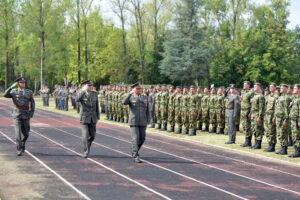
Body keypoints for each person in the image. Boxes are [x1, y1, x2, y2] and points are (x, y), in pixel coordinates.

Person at [3, 77, 35, 156]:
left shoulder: (29, 92)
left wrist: (31, 113)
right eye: (21, 83)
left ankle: (23, 143)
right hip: (17, 114)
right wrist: (11, 87)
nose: (23, 84)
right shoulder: (13, 91)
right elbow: (4, 95)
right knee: (17, 133)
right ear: (18, 84)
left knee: (26, 133)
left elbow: (33, 103)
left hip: (26, 114)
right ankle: (19, 148)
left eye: (24, 82)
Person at [122, 82, 150, 163]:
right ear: (134, 89)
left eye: (140, 88)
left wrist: (148, 120)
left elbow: (147, 110)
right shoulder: (130, 97)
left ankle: (135, 148)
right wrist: (130, 93)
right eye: (138, 89)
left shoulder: (144, 97)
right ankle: (136, 155)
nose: (140, 90)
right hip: (134, 121)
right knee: (135, 138)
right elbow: (124, 102)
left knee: (142, 138)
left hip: (143, 121)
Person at [76, 80, 100, 158]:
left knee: (92, 136)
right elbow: (77, 99)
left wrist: (97, 116)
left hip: (93, 117)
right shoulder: (81, 94)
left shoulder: (94, 94)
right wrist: (83, 91)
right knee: (85, 135)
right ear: (85, 86)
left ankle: (87, 146)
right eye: (89, 86)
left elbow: (96, 106)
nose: (90, 87)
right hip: (84, 117)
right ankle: (86, 151)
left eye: (91, 86)